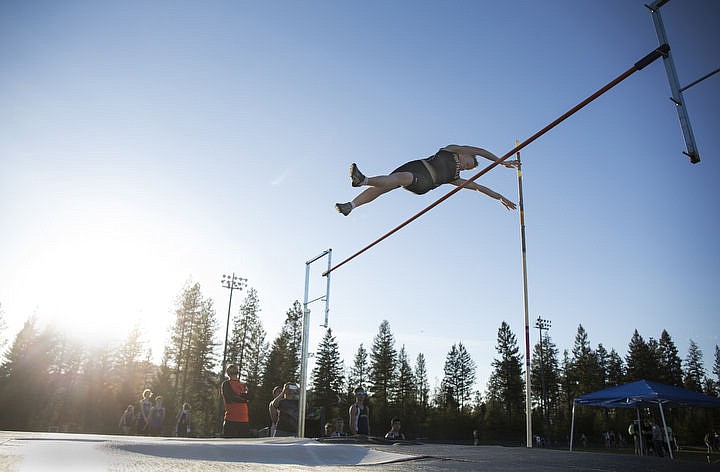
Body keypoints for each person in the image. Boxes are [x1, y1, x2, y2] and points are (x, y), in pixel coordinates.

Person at [335, 145, 517, 216]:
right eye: (468, 163)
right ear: (463, 153)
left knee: (401, 178)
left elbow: (478, 187)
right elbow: (481, 152)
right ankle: (350, 206)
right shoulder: (451, 149)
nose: (466, 167)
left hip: (424, 182)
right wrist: (502, 163)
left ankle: (363, 179)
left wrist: (499, 197)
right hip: (416, 165)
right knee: (386, 184)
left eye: (468, 169)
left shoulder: (455, 178)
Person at [221, 364, 250, 438]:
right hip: (231, 419)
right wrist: (244, 399)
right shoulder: (226, 384)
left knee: (244, 445)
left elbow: (250, 397)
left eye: (235, 368)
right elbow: (231, 397)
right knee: (228, 445)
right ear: (228, 372)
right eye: (231, 368)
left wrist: (242, 397)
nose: (234, 369)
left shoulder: (243, 385)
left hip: (244, 420)